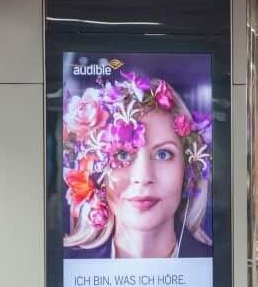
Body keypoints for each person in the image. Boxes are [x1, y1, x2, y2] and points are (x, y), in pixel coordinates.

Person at [63, 72, 212, 259]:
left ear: (189, 170)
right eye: (122, 154)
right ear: (95, 171)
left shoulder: (218, 269)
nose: (143, 177)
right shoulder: (66, 267)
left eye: (163, 154)